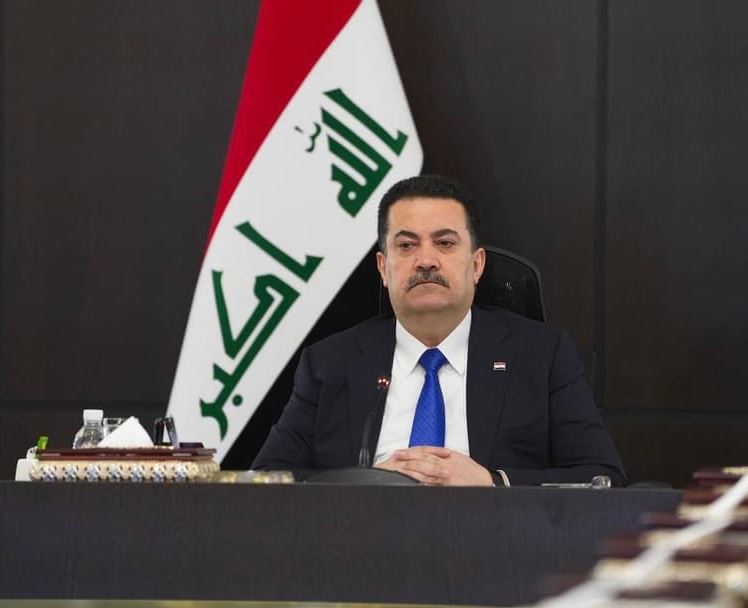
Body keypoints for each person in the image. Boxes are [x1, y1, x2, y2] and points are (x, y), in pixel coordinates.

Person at [252, 175, 626, 487]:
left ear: (476, 265)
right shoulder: (329, 362)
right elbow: (266, 481)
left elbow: (602, 477)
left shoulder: (542, 356)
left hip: (496, 544)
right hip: (360, 542)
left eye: (445, 243)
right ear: (383, 268)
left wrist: (493, 482)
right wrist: (364, 483)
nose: (426, 260)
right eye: (406, 245)